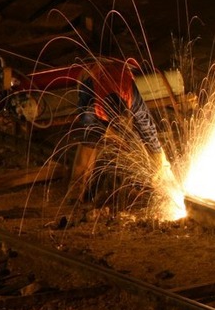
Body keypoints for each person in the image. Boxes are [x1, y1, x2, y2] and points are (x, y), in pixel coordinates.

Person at [70, 57, 174, 202]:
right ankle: (76, 192)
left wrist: (161, 167)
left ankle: (167, 182)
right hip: (90, 74)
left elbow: (150, 135)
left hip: (117, 73)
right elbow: (82, 117)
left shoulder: (134, 100)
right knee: (89, 144)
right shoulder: (91, 109)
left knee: (149, 136)